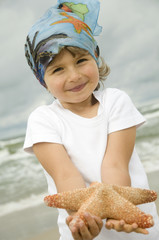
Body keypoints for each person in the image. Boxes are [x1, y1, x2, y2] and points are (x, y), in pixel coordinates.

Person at [24, 0, 159, 239]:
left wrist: (118, 213)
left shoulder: (116, 101)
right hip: (80, 227)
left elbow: (115, 163)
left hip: (133, 225)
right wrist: (82, 219)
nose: (74, 76)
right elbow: (65, 177)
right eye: (57, 70)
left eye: (80, 61)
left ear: (95, 56)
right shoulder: (43, 119)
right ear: (42, 79)